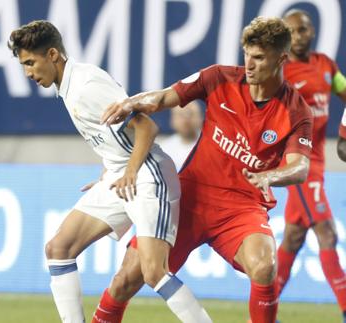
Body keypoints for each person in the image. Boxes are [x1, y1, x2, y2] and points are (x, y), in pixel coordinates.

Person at [91, 16, 313, 323]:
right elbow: (164, 97)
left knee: (265, 266)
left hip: (242, 208)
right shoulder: (218, 77)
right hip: (188, 198)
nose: (249, 64)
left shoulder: (296, 110)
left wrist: (269, 176)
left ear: (282, 58)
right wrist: (132, 103)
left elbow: (300, 166)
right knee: (127, 278)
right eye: (246, 54)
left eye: (259, 57)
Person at [8, 20, 211, 323]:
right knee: (59, 247)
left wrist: (128, 171)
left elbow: (146, 127)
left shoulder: (86, 87)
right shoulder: (69, 85)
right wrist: (110, 172)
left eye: (30, 63)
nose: (28, 73)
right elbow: (112, 138)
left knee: (154, 271)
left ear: (52, 54)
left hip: (147, 174)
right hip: (121, 174)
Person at [274, 9, 346, 320]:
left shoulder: (326, 66)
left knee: (292, 237)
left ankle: (261, 308)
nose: (298, 36)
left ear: (312, 32)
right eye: (291, 31)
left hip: (318, 161)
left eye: (302, 30)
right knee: (327, 233)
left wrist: (343, 134)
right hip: (297, 162)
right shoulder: (279, 72)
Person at [158, 101, 203, 170]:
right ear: (172, 120)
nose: (186, 120)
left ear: (200, 118)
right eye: (181, 115)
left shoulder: (212, 145)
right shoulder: (163, 150)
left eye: (191, 114)